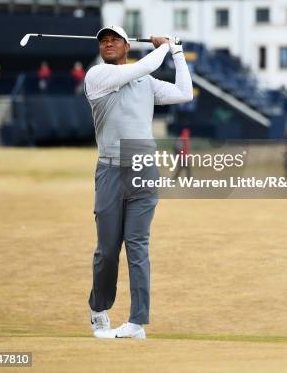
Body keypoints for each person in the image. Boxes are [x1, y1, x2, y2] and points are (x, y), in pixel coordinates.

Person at [84, 25, 193, 339]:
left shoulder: (145, 82)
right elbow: (144, 65)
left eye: (114, 39)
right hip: (110, 167)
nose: (107, 43)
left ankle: (136, 322)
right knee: (107, 249)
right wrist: (163, 46)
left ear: (127, 45)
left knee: (137, 247)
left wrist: (177, 52)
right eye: (102, 40)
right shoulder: (97, 77)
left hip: (143, 165)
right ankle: (99, 309)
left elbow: (185, 93)